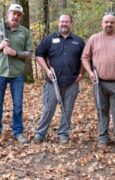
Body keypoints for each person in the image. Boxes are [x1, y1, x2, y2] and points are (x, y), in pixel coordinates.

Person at [81, 12, 115, 157]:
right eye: (106, 22)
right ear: (102, 23)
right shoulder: (94, 39)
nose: (108, 25)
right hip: (98, 83)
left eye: (111, 22)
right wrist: (90, 73)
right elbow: (85, 58)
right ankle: (103, 137)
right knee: (101, 111)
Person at [0, 4, 33, 144]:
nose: (16, 16)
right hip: (0, 72)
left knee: (18, 105)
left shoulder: (25, 32)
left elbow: (29, 54)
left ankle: (18, 132)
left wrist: (15, 53)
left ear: (21, 17)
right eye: (13, 13)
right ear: (8, 14)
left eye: (18, 14)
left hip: (17, 74)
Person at [32, 14, 85, 144]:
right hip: (52, 82)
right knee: (48, 109)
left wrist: (81, 74)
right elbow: (38, 55)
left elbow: (85, 58)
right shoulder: (49, 39)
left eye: (66, 22)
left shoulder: (79, 41)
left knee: (67, 110)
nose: (64, 24)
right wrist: (47, 70)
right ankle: (40, 134)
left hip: (72, 82)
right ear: (58, 23)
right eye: (62, 21)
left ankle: (63, 134)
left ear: (71, 23)